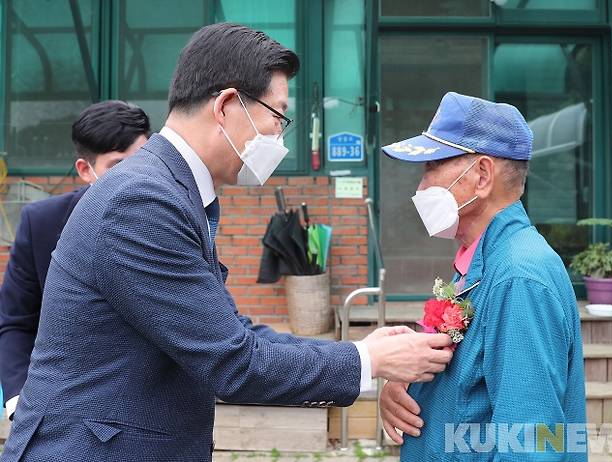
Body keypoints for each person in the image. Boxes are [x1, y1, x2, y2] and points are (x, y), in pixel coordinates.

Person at [0, 23, 454, 462]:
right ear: (226, 106)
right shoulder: (143, 200)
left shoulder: (172, 189)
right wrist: (366, 360)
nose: (280, 138)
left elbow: (231, 334)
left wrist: (363, 353)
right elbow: (233, 363)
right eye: (277, 116)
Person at [379, 92, 587, 460]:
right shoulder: (484, 262)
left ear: (481, 176)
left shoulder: (519, 277)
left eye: (432, 167)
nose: (421, 187)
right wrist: (408, 387)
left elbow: (530, 446)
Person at [0, 100, 150, 421]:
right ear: (86, 170)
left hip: (150, 407)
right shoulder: (40, 224)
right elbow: (15, 322)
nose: (137, 178)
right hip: (65, 407)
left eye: (145, 162)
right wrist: (18, 400)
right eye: (119, 165)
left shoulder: (172, 220)